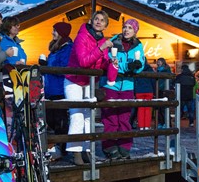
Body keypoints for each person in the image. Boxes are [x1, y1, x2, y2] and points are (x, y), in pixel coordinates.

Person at [64, 10, 113, 166]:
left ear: (105, 25)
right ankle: (75, 151)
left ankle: (86, 150)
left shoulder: (103, 41)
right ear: (91, 21)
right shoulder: (82, 37)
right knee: (77, 115)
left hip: (90, 82)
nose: (99, 22)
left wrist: (111, 63)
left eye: (102, 20)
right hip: (74, 80)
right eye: (96, 19)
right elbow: (84, 62)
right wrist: (101, 48)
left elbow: (102, 62)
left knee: (88, 117)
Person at [101, 18, 145, 159]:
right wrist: (127, 67)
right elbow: (109, 60)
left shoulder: (138, 46)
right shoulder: (113, 42)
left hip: (127, 85)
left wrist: (136, 67)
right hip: (111, 84)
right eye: (125, 27)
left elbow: (141, 62)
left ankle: (124, 145)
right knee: (110, 116)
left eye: (130, 28)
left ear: (135, 31)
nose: (126, 30)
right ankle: (109, 146)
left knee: (125, 118)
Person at [40, 22, 73, 159]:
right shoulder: (55, 48)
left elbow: (64, 68)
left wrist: (47, 65)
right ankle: (60, 147)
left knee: (59, 120)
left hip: (59, 88)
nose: (52, 33)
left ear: (61, 33)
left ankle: (62, 148)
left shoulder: (67, 48)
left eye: (55, 31)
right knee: (51, 119)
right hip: (50, 89)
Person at [133, 61, 155, 130]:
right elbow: (153, 81)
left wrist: (134, 91)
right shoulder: (150, 69)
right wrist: (154, 90)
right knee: (148, 109)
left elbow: (134, 81)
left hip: (139, 91)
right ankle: (147, 126)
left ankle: (141, 125)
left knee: (140, 109)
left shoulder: (136, 69)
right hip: (149, 90)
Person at [156, 57, 173, 127]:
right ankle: (161, 122)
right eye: (157, 62)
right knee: (159, 108)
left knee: (164, 108)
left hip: (164, 90)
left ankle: (167, 123)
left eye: (159, 61)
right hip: (158, 90)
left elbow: (169, 79)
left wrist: (164, 86)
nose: (158, 63)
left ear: (163, 62)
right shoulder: (157, 70)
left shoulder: (166, 70)